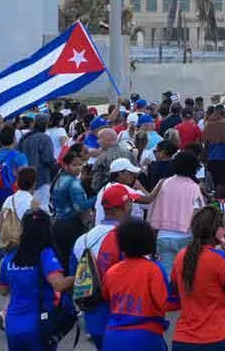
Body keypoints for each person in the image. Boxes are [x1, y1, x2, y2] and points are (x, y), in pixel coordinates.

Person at [70, 184, 139, 349]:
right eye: (130, 202)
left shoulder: (83, 240)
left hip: (94, 319)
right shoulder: (130, 238)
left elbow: (74, 278)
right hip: (125, 319)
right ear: (125, 206)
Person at [168, 205, 225, 351]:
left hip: (183, 339)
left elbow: (174, 290)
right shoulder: (218, 260)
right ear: (217, 231)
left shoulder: (181, 256)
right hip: (214, 339)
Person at [0, 210, 74, 351]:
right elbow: (58, 284)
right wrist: (79, 276)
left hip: (13, 324)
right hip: (39, 325)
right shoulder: (45, 254)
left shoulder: (10, 258)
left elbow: (3, 289)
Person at [101, 219, 171, 350]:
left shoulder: (112, 271)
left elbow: (106, 298)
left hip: (113, 336)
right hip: (145, 336)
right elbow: (164, 302)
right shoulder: (154, 269)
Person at [150, 151, 206, 274]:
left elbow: (152, 208)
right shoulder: (194, 187)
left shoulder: (164, 183)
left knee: (167, 276)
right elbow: (197, 212)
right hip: (185, 236)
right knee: (186, 275)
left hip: (163, 236)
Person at [0, 165, 39, 281]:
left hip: (8, 238)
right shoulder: (33, 202)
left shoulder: (10, 199)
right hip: (23, 242)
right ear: (34, 183)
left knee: (5, 242)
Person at [51, 149, 92, 270]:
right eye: (74, 165)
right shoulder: (73, 183)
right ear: (66, 165)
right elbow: (80, 206)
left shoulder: (59, 179)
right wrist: (97, 198)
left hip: (58, 223)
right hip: (71, 224)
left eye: (80, 165)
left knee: (61, 259)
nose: (78, 168)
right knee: (72, 260)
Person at [19, 114, 57, 208]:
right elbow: (48, 159)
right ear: (46, 124)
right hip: (42, 179)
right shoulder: (45, 138)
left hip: (25, 180)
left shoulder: (24, 138)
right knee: (42, 208)